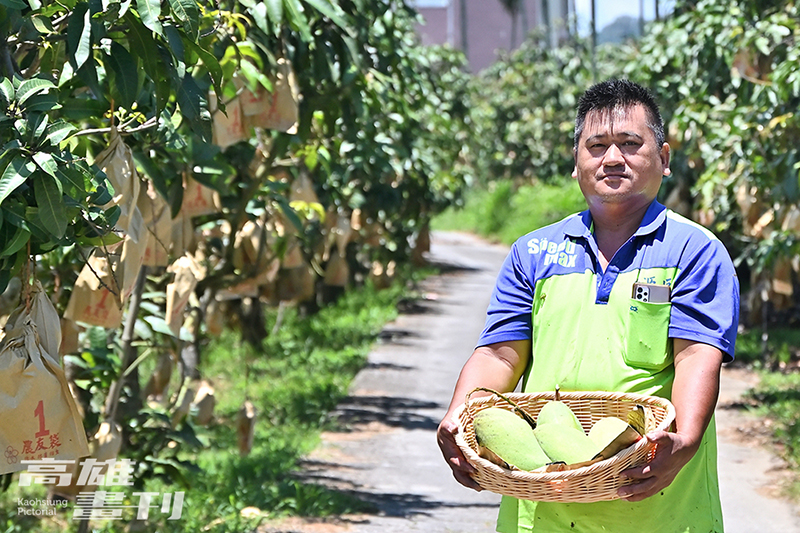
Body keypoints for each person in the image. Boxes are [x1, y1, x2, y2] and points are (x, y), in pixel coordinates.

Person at [436, 78, 739, 533]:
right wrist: (459, 414)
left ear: (664, 158)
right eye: (596, 145)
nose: (612, 158)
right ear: (576, 163)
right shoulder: (534, 252)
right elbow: (500, 353)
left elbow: (697, 353)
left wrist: (686, 440)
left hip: (658, 502)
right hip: (544, 507)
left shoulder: (693, 251)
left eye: (631, 143)